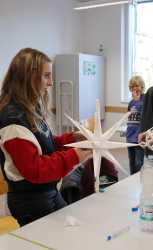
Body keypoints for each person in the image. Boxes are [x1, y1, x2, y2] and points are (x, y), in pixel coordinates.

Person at [0, 48, 91, 226]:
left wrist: (72, 138)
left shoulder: (29, 108)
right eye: (46, 76)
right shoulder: (13, 119)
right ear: (29, 78)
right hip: (30, 200)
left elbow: (46, 145)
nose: (51, 83)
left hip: (46, 191)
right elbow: (35, 169)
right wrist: (74, 156)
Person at [126, 75, 145, 174]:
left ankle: (139, 180)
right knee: (132, 162)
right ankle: (131, 179)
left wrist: (137, 101)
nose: (136, 88)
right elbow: (129, 118)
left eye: (138, 86)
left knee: (139, 162)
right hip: (130, 137)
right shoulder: (131, 103)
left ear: (142, 87)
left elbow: (144, 116)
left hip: (139, 137)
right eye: (133, 86)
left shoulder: (144, 100)